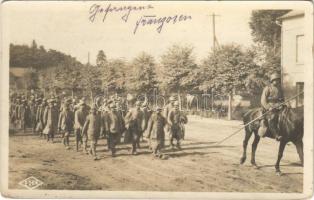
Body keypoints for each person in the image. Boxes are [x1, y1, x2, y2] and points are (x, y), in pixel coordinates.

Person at [259, 73, 285, 141]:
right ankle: (276, 135)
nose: (277, 81)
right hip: (270, 106)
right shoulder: (267, 88)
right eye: (275, 80)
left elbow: (282, 99)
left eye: (278, 80)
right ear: (272, 80)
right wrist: (268, 107)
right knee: (272, 118)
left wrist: (282, 103)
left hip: (279, 106)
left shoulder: (280, 89)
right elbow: (263, 100)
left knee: (286, 115)